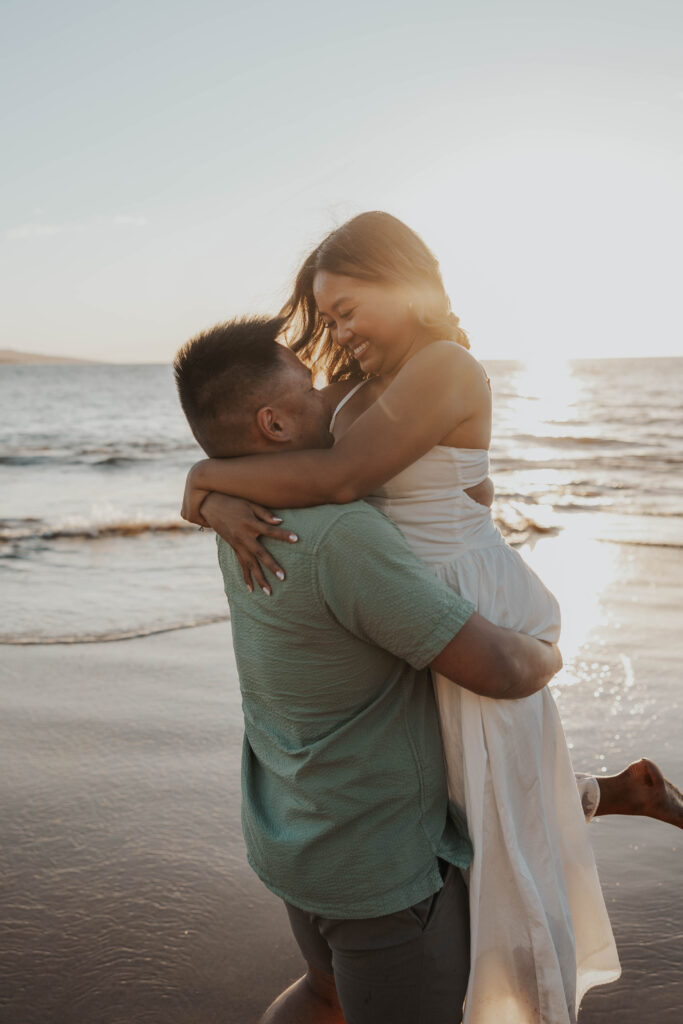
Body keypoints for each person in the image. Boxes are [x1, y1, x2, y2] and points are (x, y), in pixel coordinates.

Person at [180, 213, 683, 1022]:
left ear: (405, 284)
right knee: (460, 786)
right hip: (398, 589)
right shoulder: (353, 381)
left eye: (347, 309)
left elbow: (340, 476)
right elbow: (283, 447)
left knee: (483, 806)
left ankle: (521, 974)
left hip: (454, 591)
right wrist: (216, 498)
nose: (336, 331)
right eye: (328, 315)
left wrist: (204, 477)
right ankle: (609, 791)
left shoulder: (446, 364)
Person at [173, 317, 564, 1024]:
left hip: (294, 829)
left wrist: (205, 487)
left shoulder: (241, 520)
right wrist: (548, 651)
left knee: (323, 995)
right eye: (309, 386)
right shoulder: (342, 535)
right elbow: (498, 670)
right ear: (274, 422)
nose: (328, 394)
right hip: (377, 862)